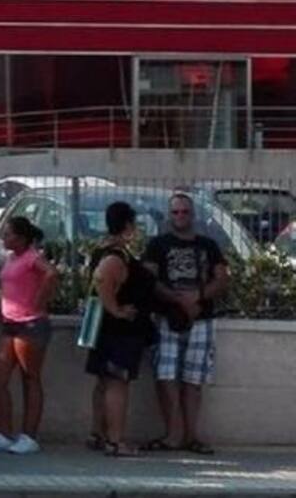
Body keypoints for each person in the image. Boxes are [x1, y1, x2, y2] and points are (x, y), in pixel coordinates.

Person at [140, 193, 230, 456]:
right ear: (170, 215)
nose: (180, 216)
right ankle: (172, 434)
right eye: (176, 212)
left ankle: (191, 435)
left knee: (193, 379)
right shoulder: (158, 244)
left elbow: (222, 278)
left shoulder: (208, 245)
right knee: (165, 376)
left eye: (185, 212)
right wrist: (178, 300)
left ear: (193, 214)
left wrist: (198, 297)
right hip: (168, 318)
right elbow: (149, 279)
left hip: (201, 319)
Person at [0, 217, 59, 455]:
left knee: (30, 378)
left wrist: (39, 301)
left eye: (8, 234)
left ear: (22, 238)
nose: (4, 238)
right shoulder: (12, 258)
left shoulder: (33, 257)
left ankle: (29, 436)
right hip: (10, 323)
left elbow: (51, 274)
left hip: (31, 324)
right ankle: (3, 433)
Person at [85, 201, 155, 458]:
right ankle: (115, 441)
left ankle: (98, 434)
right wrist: (115, 309)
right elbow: (102, 278)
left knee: (104, 382)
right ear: (128, 225)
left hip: (106, 330)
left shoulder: (102, 250)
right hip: (119, 331)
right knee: (117, 383)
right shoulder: (116, 256)